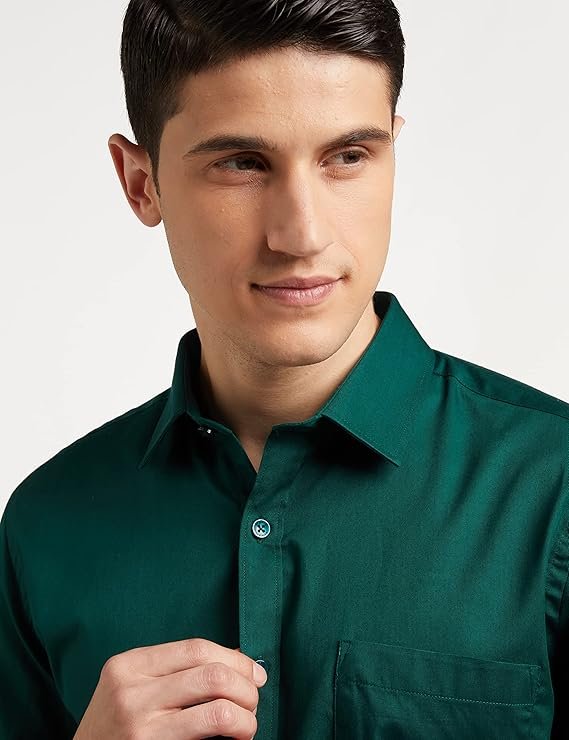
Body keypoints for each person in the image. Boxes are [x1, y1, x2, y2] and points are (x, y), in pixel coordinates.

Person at [1, 0, 568, 737]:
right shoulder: (46, 525)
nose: (301, 234)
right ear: (141, 183)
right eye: (242, 163)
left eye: (348, 156)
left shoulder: (554, 487)